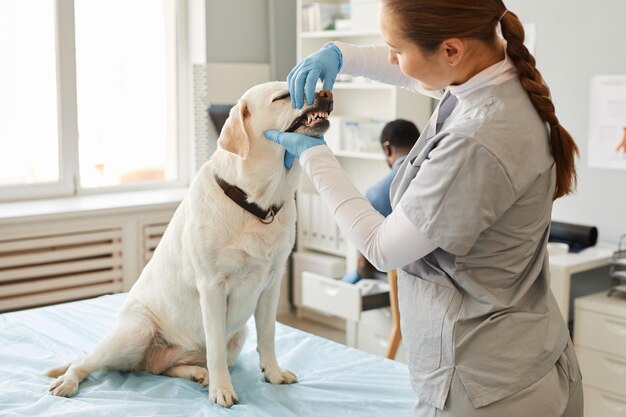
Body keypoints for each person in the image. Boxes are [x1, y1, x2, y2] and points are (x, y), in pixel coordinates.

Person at [265, 1, 583, 416]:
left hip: (487, 387)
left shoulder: (477, 141)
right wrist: (341, 55)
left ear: (451, 50)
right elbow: (415, 73)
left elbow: (381, 248)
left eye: (396, 47)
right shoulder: (494, 75)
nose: (393, 58)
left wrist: (314, 155)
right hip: (531, 358)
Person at [342, 119, 420, 284]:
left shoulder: (376, 194)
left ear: (387, 148)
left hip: (396, 280)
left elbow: (366, 264)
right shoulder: (433, 177)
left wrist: (358, 274)